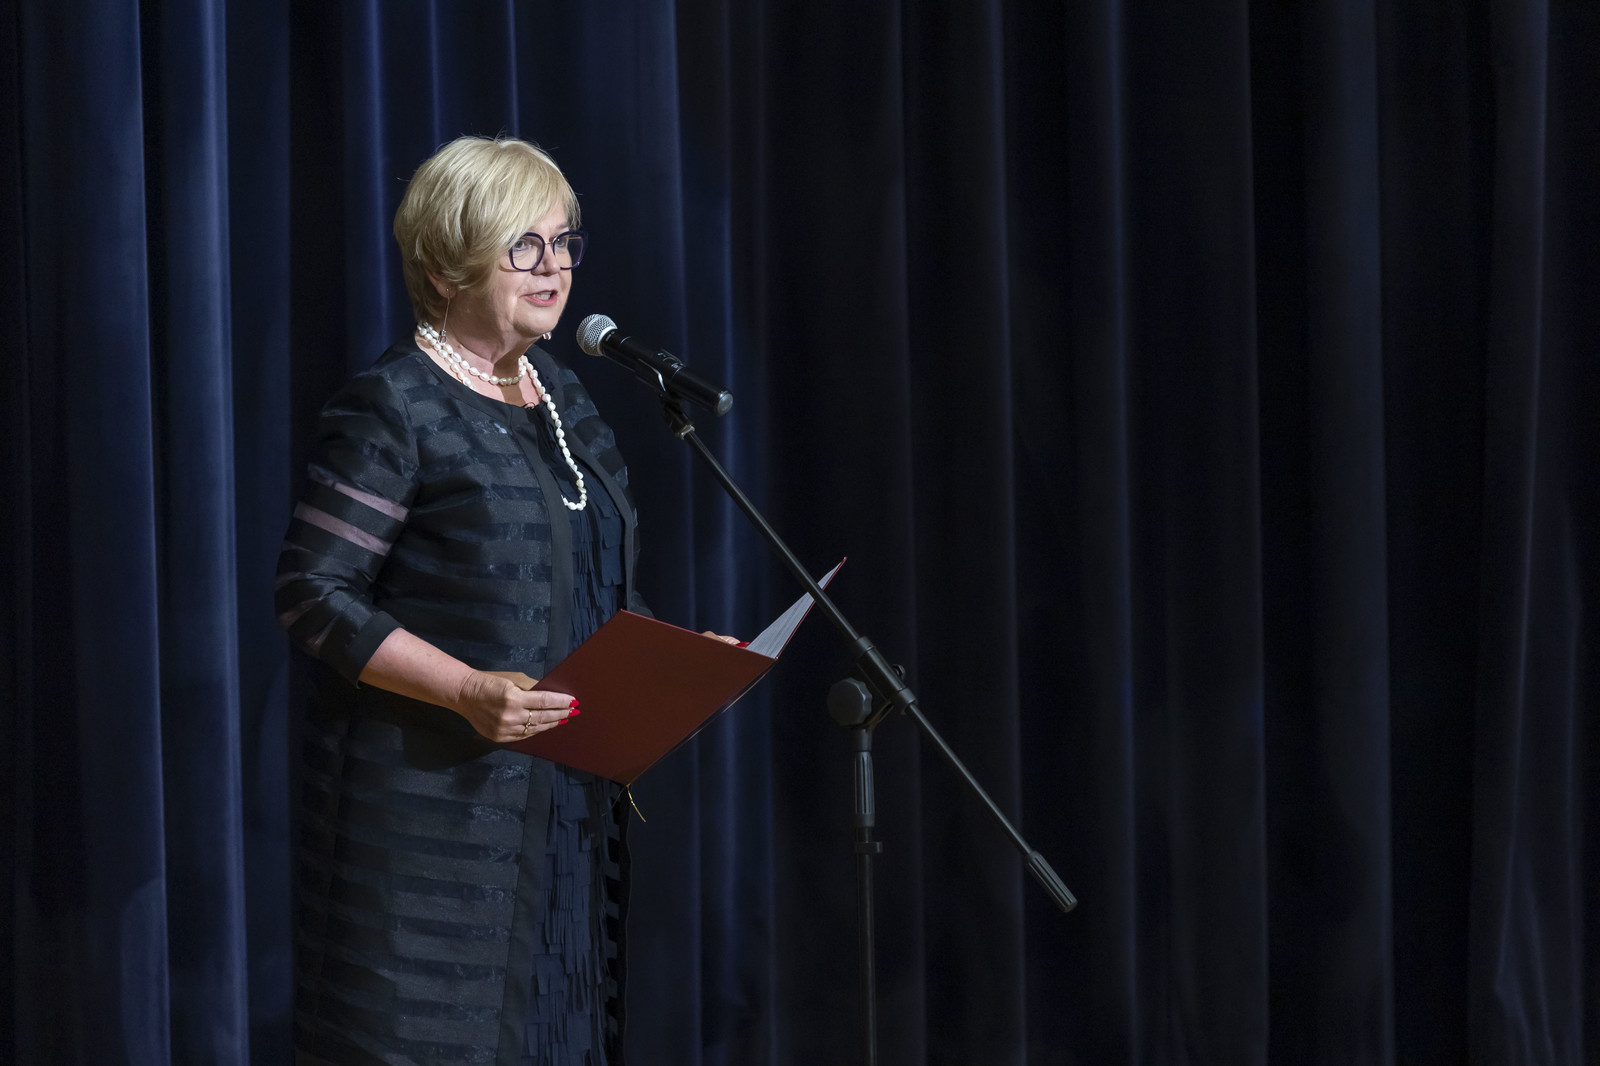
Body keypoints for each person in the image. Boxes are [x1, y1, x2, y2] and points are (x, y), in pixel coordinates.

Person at [277, 135, 715, 1066]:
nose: (553, 268)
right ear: (445, 269)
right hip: (434, 838)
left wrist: (672, 661)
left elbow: (591, 581)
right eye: (523, 246)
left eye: (563, 243)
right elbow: (313, 593)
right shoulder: (395, 405)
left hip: (562, 824)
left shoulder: (565, 399)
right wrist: (467, 689)